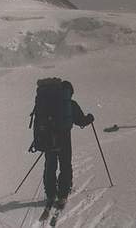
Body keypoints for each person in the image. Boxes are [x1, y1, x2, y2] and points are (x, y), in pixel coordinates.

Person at [43, 80, 94, 210]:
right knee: (65, 165)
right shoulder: (71, 104)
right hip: (64, 139)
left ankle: (50, 194)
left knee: (50, 165)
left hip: (49, 140)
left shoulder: (48, 103)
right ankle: (63, 194)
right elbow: (81, 121)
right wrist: (90, 118)